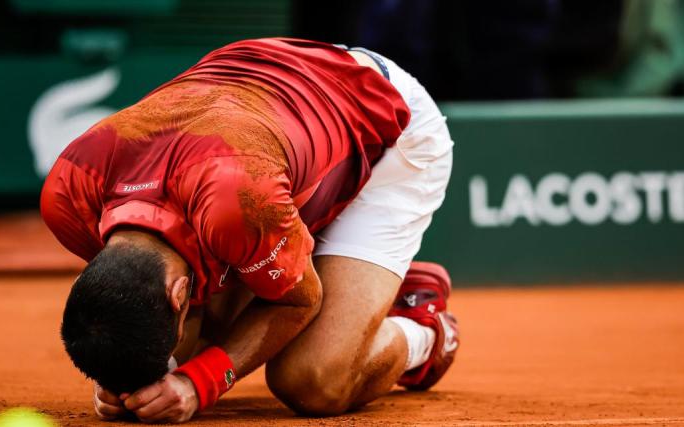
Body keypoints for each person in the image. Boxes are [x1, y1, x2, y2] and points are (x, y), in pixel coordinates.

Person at [40, 37, 458, 423]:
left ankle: (422, 330)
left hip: (383, 124)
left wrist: (197, 382)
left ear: (180, 293)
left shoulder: (236, 203)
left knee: (314, 380)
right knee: (186, 347)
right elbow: (132, 304)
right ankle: (348, 284)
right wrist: (120, 379)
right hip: (265, 121)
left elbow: (297, 302)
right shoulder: (68, 198)